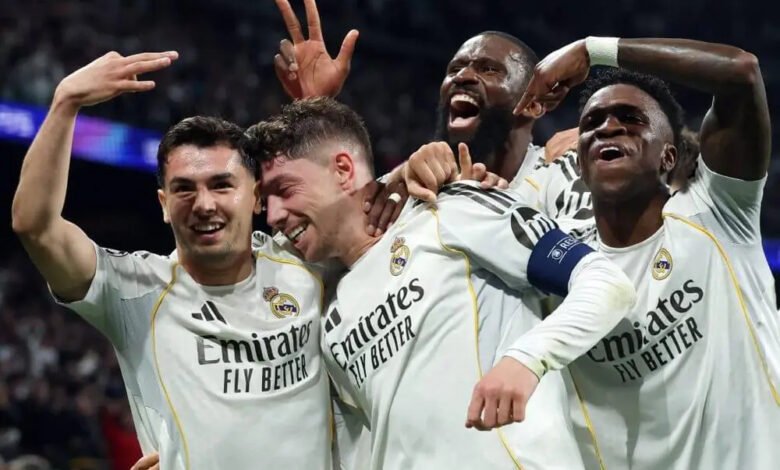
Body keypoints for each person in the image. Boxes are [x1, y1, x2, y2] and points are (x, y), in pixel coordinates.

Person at [245, 96, 637, 469]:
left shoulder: (450, 210)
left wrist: (527, 359)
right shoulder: (327, 309)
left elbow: (605, 284)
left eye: (285, 190)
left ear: (343, 170)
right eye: (267, 200)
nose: (274, 215)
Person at [11, 52, 333, 469]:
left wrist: (322, 117)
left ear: (256, 196)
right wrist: (65, 102)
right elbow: (36, 226)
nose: (204, 204)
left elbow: (370, 203)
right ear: (163, 204)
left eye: (222, 185)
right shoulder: (134, 290)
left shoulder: (307, 263)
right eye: (184, 189)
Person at [488, 37, 780, 468]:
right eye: (592, 123)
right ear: (581, 165)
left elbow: (741, 72)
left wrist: (593, 50)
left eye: (630, 118)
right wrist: (416, 170)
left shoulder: (716, 213)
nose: (607, 127)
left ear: (668, 157)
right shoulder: (560, 260)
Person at [271, 0, 545, 201]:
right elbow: (335, 221)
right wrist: (314, 105)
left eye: (489, 69)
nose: (462, 77)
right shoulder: (409, 187)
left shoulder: (556, 178)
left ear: (533, 104)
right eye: (454, 69)